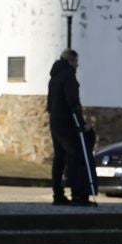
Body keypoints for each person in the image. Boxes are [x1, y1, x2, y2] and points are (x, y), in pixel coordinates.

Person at [46, 50, 95, 206]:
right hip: (67, 124)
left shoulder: (54, 78)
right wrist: (82, 125)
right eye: (76, 61)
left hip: (55, 122)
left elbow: (49, 104)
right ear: (70, 61)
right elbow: (73, 103)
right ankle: (78, 194)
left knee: (59, 158)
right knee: (75, 156)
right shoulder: (69, 77)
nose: (77, 65)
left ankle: (58, 194)